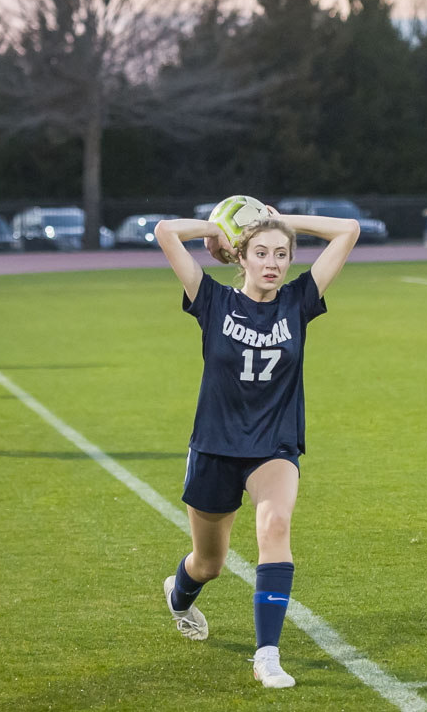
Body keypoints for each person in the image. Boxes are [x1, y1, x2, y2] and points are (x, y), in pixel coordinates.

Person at [154, 203, 359, 689]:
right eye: (262, 252)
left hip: (274, 445)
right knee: (210, 563)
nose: (272, 262)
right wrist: (218, 228)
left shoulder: (299, 301)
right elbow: (165, 231)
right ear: (241, 257)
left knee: (275, 524)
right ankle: (179, 594)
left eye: (282, 254)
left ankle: (267, 655)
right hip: (215, 448)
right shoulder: (212, 300)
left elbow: (348, 230)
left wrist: (283, 219)